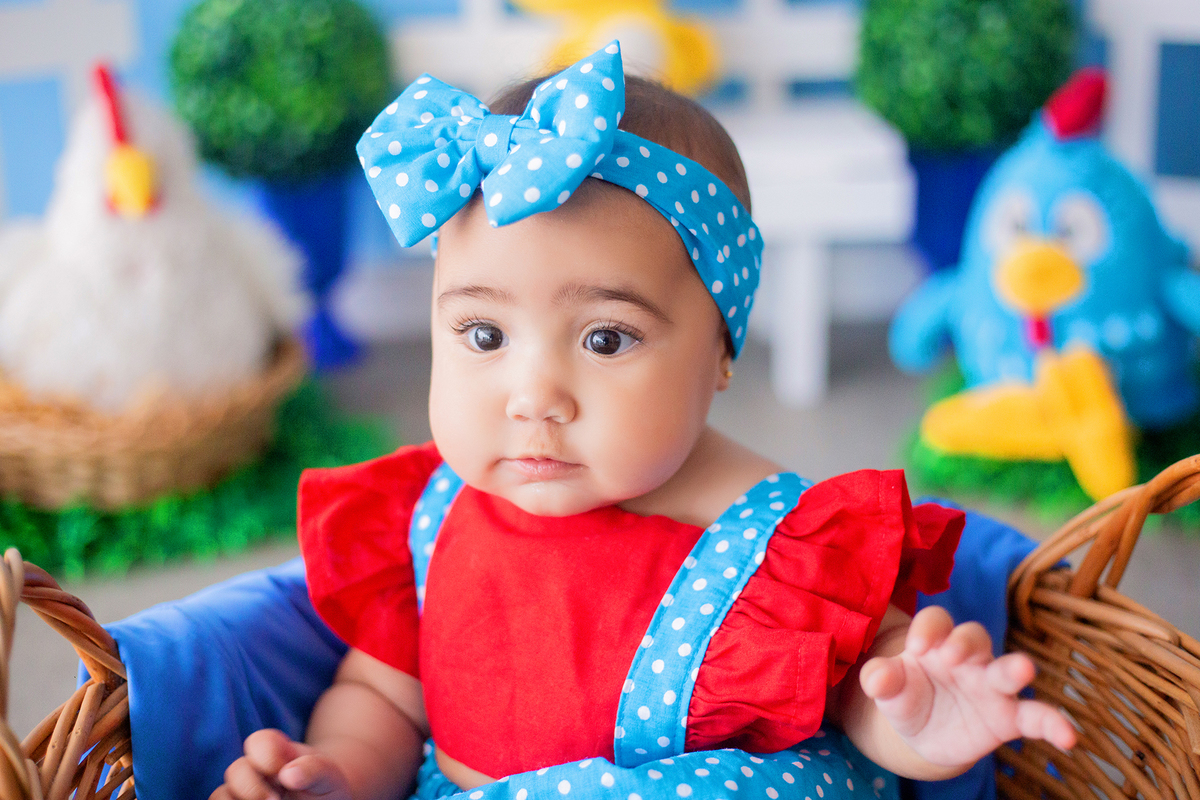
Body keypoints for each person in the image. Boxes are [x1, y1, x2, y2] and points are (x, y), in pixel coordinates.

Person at [211, 42, 1076, 800]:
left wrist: (920, 722)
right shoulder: (429, 522)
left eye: (605, 338)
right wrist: (339, 773)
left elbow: (864, 696)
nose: (534, 395)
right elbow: (382, 699)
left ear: (721, 352)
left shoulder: (785, 546)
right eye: (484, 334)